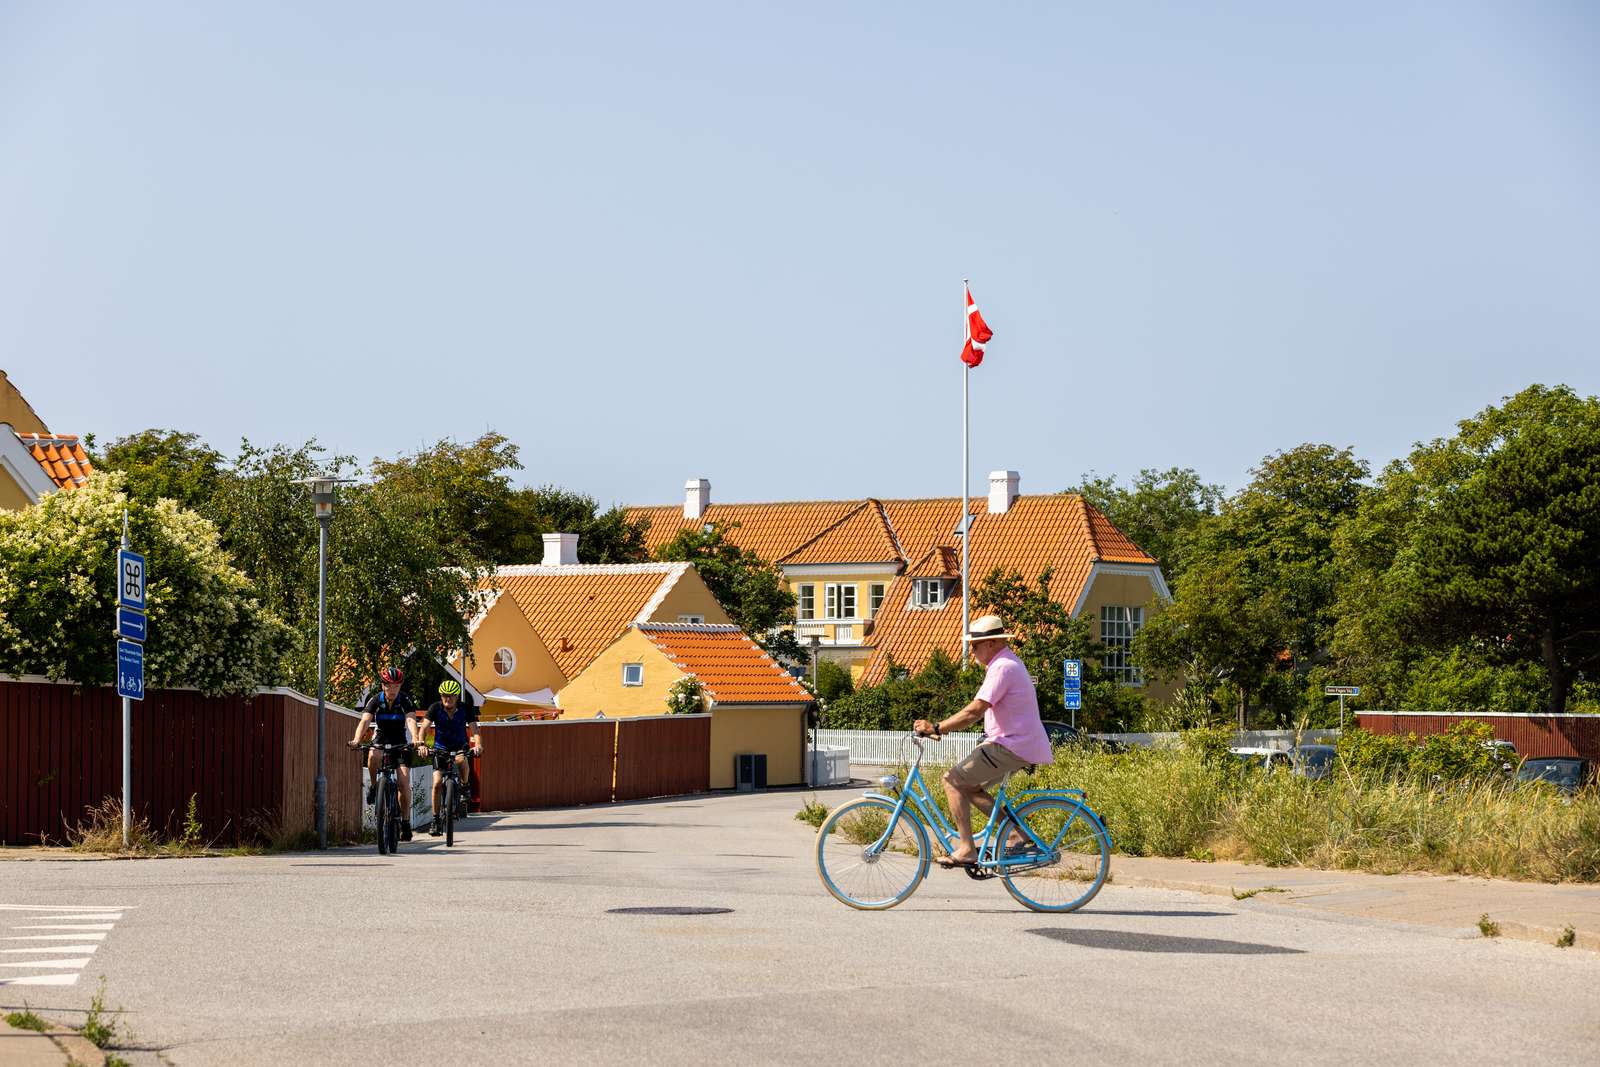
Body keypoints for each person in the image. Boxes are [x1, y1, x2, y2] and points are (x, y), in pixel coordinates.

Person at [913, 615, 1052, 869]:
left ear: (991, 643)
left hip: (1011, 744)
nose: (972, 651)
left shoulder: (1003, 668)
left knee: (952, 780)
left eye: (975, 645)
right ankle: (1016, 833)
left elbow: (974, 711)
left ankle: (966, 848)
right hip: (1015, 743)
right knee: (969, 786)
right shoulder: (1005, 664)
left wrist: (937, 727)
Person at [348, 667, 419, 841]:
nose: (392, 690)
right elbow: (365, 721)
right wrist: (357, 739)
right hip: (381, 738)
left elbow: (410, 719)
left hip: (400, 742)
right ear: (383, 685)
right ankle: (374, 787)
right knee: (373, 756)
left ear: (400, 686)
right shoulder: (375, 700)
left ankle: (405, 822)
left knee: (403, 782)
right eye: (389, 686)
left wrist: (416, 738)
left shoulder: (405, 700)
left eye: (396, 686)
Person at [422, 679, 480, 836]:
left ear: (457, 697)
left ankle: (464, 786)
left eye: (451, 696)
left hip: (460, 746)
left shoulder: (465, 709)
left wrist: (478, 745)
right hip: (440, 749)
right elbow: (424, 727)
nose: (448, 699)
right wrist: (421, 744)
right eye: (444, 696)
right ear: (441, 696)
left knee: (462, 760)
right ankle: (435, 820)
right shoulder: (435, 708)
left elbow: (474, 729)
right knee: (436, 784)